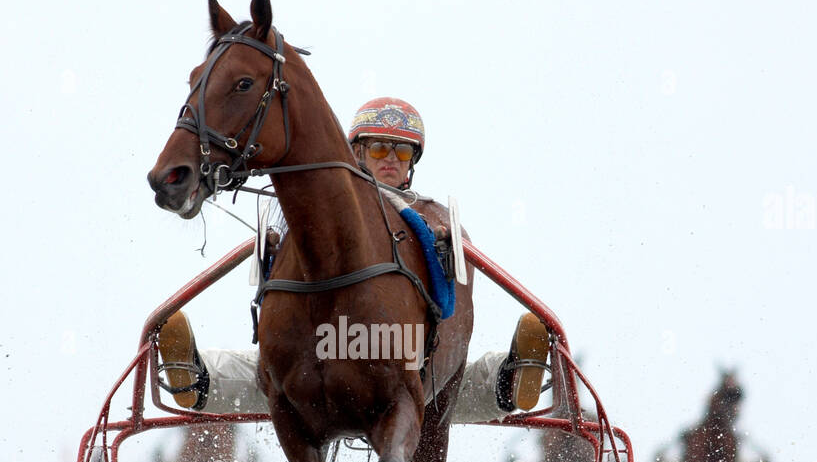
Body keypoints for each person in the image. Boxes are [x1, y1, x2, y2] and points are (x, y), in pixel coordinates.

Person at [158, 97, 551, 422]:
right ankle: (195, 376)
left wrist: (449, 244)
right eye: (380, 149)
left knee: (448, 384)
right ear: (357, 152)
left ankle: (513, 375)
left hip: (410, 357)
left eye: (401, 151)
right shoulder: (320, 213)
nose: (391, 160)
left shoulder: (433, 216)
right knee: (275, 370)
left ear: (413, 162)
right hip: (321, 348)